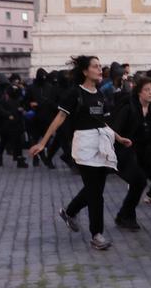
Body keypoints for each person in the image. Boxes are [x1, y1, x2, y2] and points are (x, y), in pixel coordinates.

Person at [28, 56, 132, 251]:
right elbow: (60, 118)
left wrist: (119, 138)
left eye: (100, 66)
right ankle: (97, 235)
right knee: (96, 194)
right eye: (95, 66)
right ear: (85, 71)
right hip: (84, 146)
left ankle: (69, 212)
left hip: (102, 144)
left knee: (95, 189)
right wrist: (43, 143)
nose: (100, 69)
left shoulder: (100, 94)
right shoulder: (74, 93)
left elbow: (103, 122)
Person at [112, 77, 151, 227]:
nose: (150, 93)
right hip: (125, 151)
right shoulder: (129, 108)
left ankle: (125, 216)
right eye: (146, 90)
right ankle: (125, 215)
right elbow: (116, 131)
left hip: (143, 152)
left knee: (143, 180)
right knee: (139, 181)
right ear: (139, 92)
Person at [26, 68, 58, 168]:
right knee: (35, 139)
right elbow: (25, 102)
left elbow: (53, 102)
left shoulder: (50, 87)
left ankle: (45, 157)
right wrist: (30, 104)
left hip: (46, 117)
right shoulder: (31, 88)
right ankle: (37, 157)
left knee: (47, 139)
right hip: (35, 118)